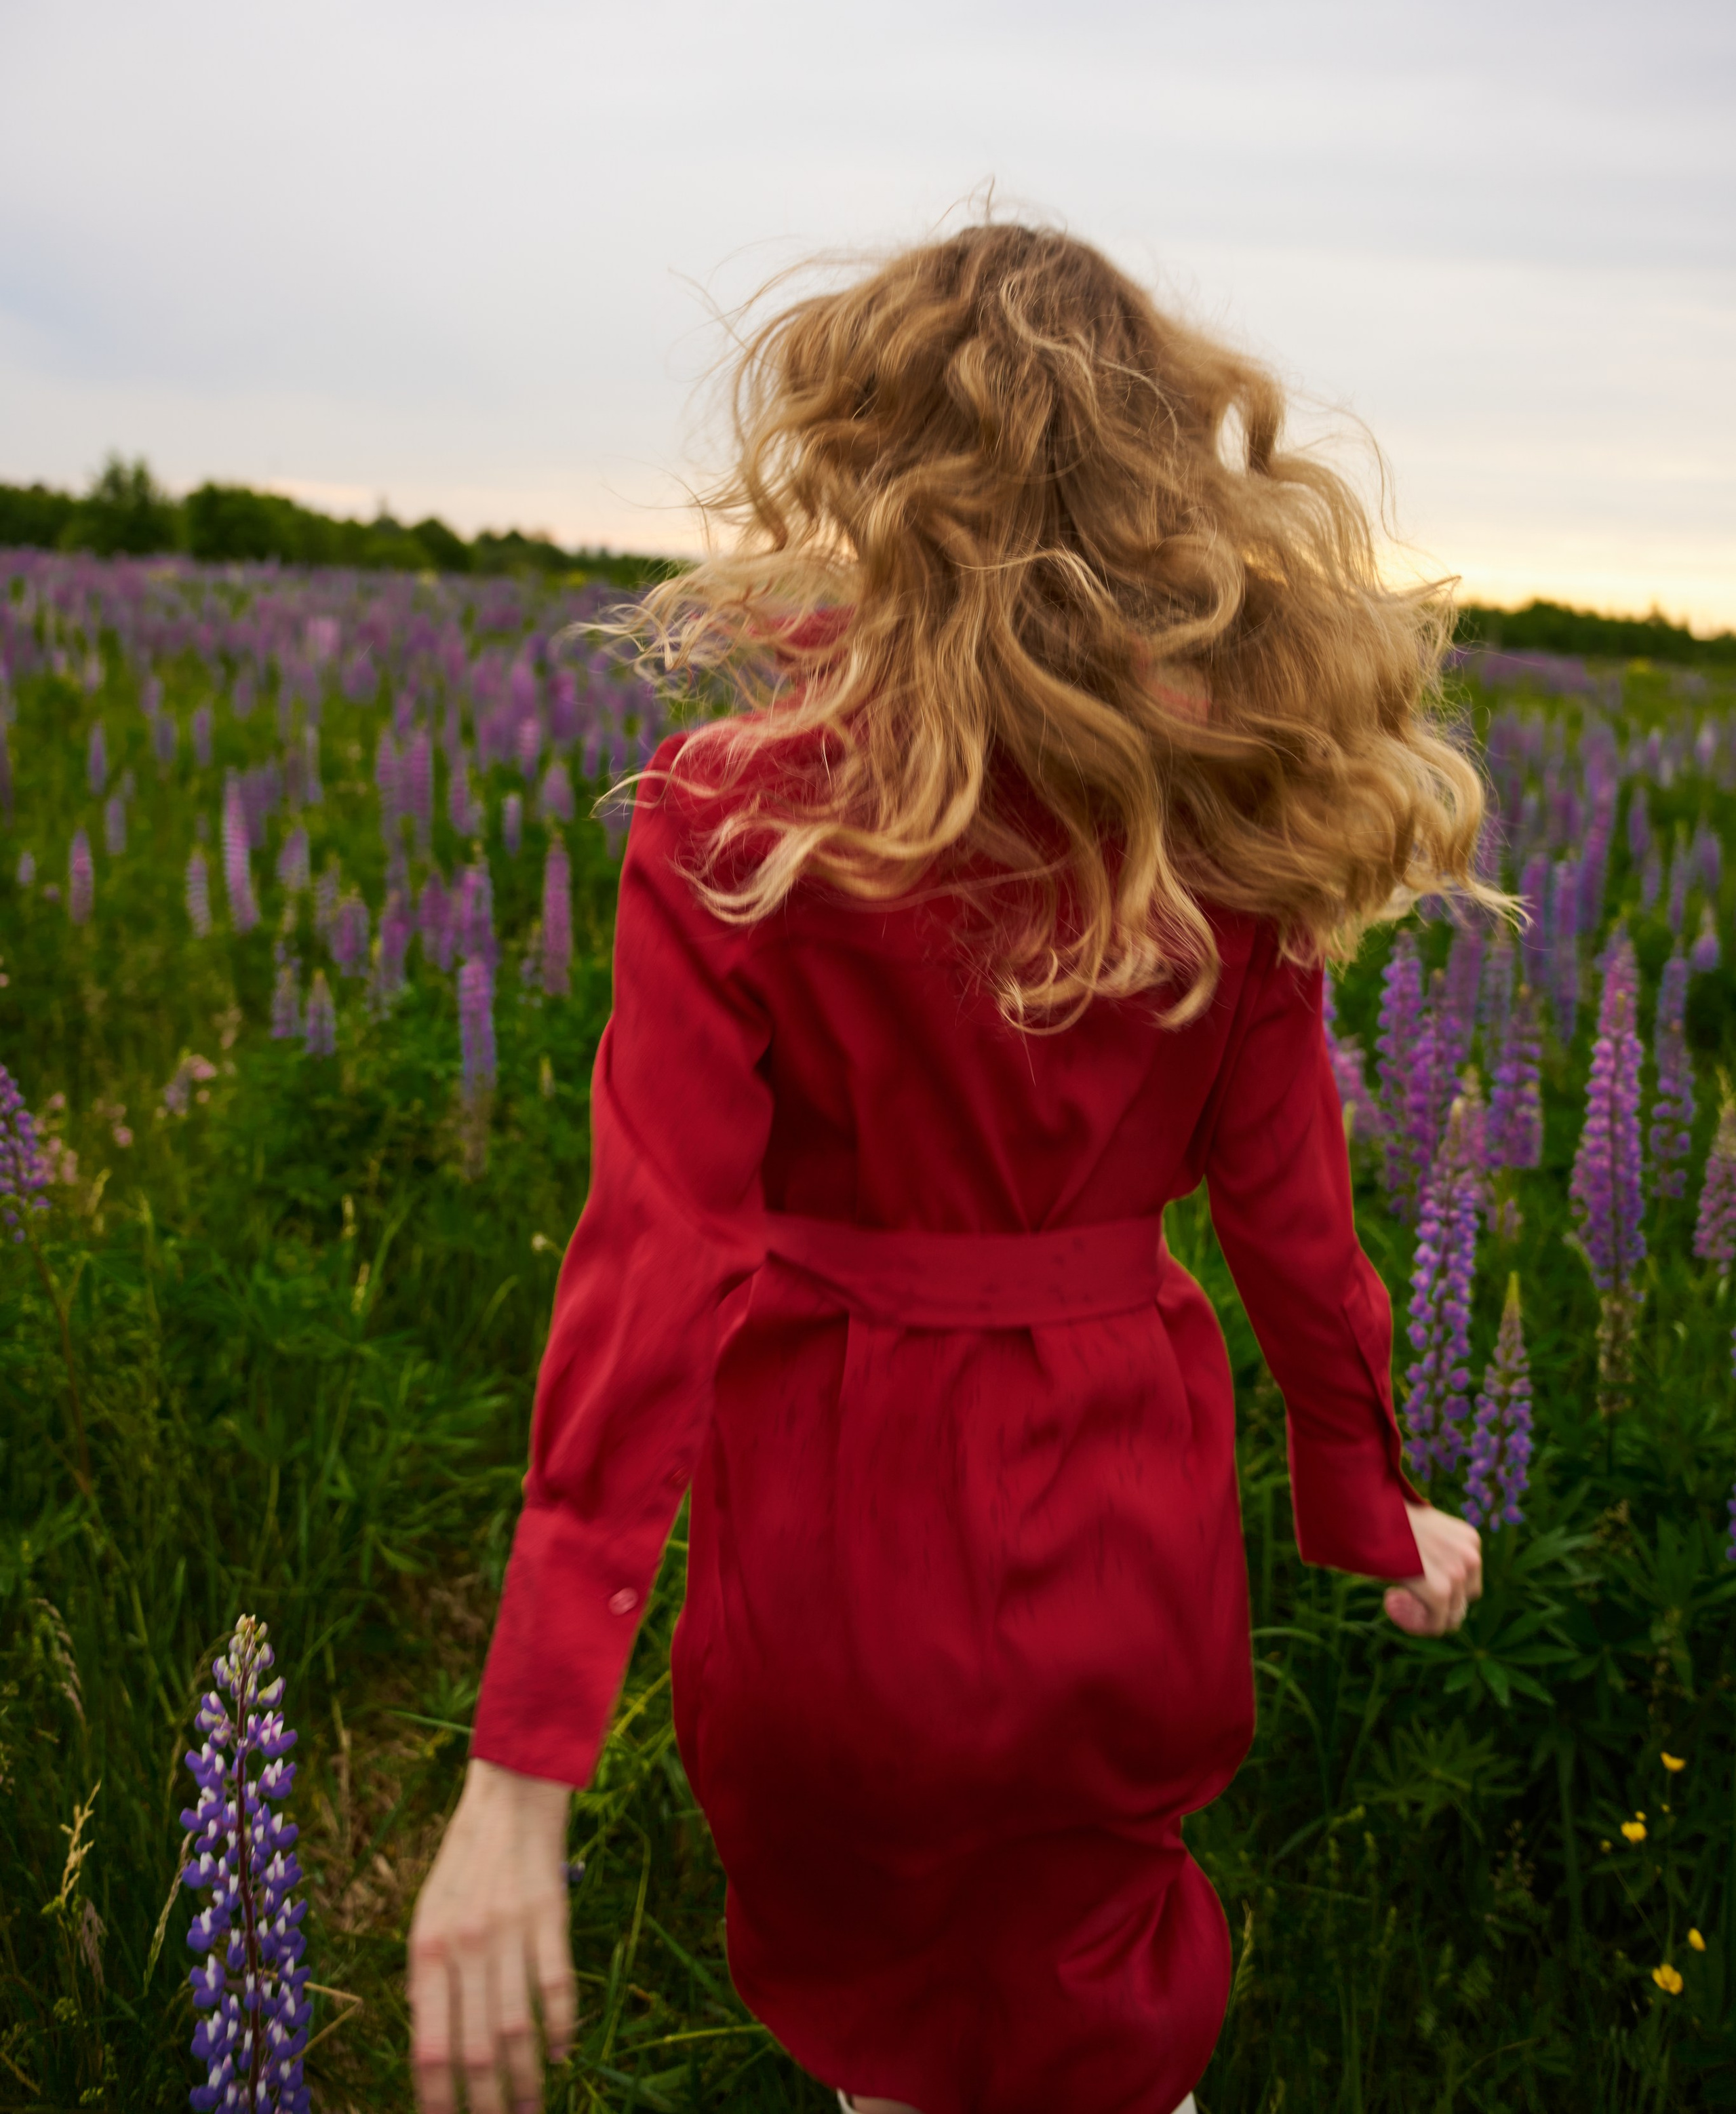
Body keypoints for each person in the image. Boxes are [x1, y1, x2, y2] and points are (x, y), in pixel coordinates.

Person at [408, 223, 1486, 2114]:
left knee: (888, 2034)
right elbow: (1291, 1220)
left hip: (836, 1546)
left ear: (871, 472)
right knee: (1106, 2005)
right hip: (1121, 1526)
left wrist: (523, 1768)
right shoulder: (1224, 817)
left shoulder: (729, 811)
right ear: (1160, 485)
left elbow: (652, 1268)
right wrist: (1364, 1487)